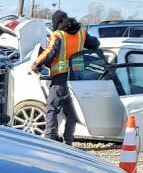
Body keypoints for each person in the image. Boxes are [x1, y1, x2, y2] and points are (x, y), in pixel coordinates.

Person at [30, 10, 99, 145]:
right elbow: (95, 44)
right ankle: (68, 140)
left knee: (52, 107)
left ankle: (50, 138)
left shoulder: (58, 35)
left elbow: (50, 52)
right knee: (71, 111)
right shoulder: (82, 33)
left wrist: (36, 63)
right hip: (77, 76)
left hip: (61, 76)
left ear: (57, 22)